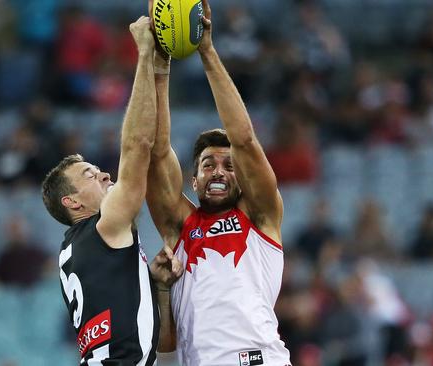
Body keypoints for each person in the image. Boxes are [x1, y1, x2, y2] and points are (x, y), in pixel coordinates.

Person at [146, 0, 292, 364]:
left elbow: (244, 139)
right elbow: (157, 154)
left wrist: (207, 51)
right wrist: (160, 68)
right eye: (208, 164)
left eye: (229, 166)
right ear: (193, 181)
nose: (219, 171)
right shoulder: (181, 227)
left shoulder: (261, 216)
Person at [41, 16, 182, 366]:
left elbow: (153, 338)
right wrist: (145, 54)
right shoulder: (104, 228)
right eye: (90, 174)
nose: (104, 174)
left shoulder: (79, 249)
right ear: (71, 201)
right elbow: (138, 146)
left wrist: (156, 286)